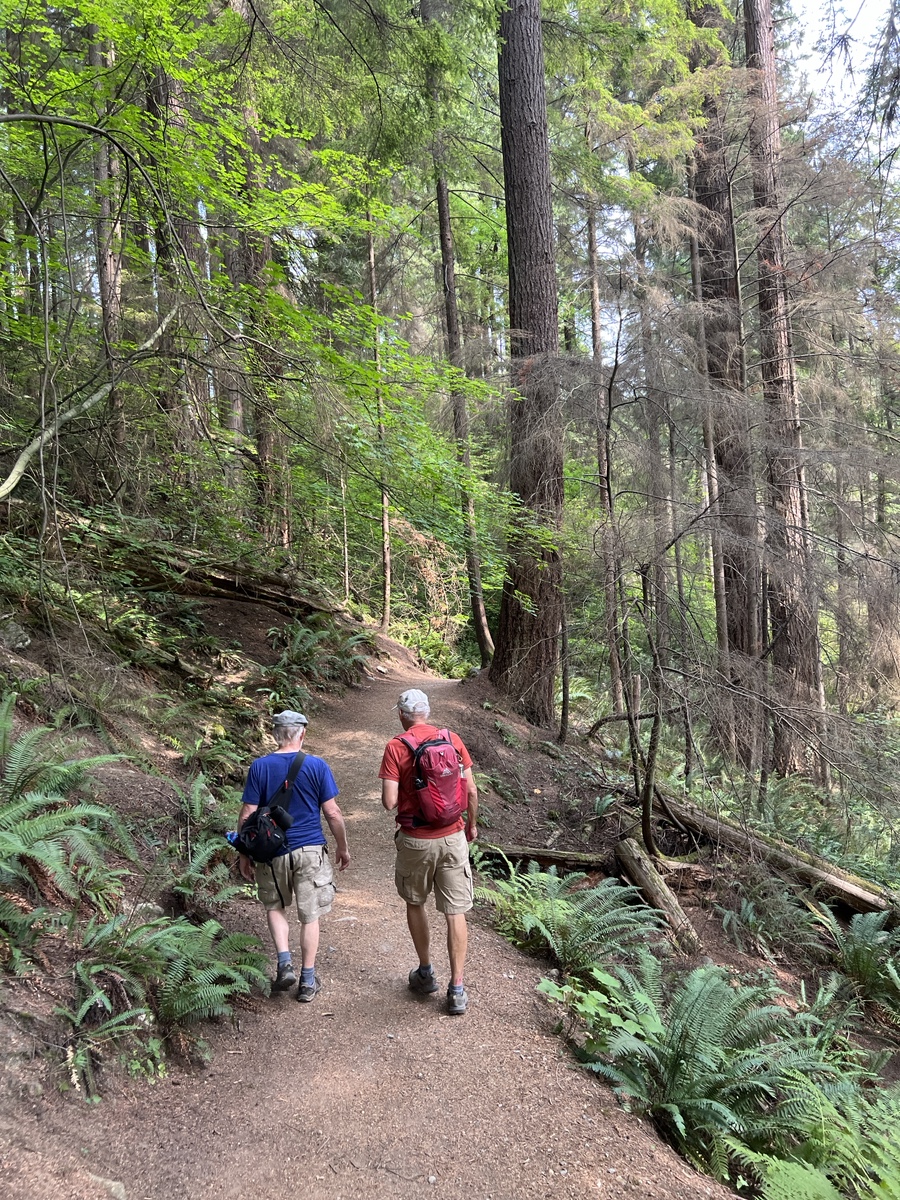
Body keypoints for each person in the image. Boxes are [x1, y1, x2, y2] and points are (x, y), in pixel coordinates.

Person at [237, 710, 350, 1002]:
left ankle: (284, 963)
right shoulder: (317, 766)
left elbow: (248, 814)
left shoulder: (259, 767)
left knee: (274, 906)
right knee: (310, 915)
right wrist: (342, 846)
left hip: (272, 851)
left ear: (275, 734)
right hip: (309, 850)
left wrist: (244, 853)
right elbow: (333, 813)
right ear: (303, 733)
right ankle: (308, 980)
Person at [379, 688, 478, 1016]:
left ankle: (425, 972)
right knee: (455, 911)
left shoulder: (396, 746)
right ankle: (457, 988)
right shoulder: (451, 739)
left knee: (415, 901)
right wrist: (471, 826)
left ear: (402, 715)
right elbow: (471, 790)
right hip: (453, 836)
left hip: (415, 840)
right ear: (428, 712)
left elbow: (389, 802)